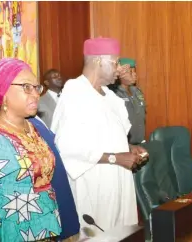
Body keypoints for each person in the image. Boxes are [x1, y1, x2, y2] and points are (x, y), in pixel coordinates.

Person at [51, 37, 148, 237]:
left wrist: (128, 147)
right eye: (115, 63)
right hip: (95, 184)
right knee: (98, 235)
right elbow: (68, 145)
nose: (119, 69)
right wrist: (115, 158)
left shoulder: (109, 95)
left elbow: (109, 133)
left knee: (122, 234)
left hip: (119, 181)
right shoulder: (75, 91)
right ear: (98, 61)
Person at [0, 58, 72, 241]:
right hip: (12, 234)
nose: (35, 94)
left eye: (37, 88)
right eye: (26, 87)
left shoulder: (31, 127)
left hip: (45, 229)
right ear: (3, 92)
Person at [109, 58, 146, 145]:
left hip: (140, 142)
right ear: (120, 75)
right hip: (123, 145)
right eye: (131, 72)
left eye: (135, 71)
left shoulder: (137, 91)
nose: (134, 75)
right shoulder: (113, 94)